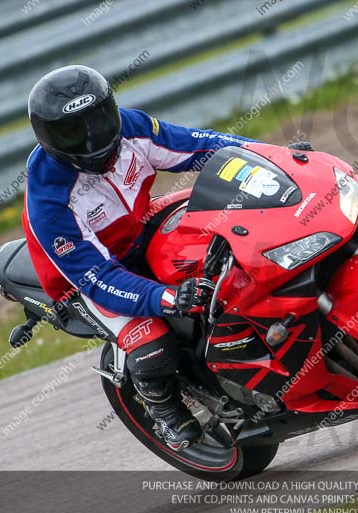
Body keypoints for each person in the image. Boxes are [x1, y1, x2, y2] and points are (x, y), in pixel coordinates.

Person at [22, 65, 258, 450]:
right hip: (83, 279)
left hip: (138, 226)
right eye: (71, 131)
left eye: (97, 120)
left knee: (231, 236)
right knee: (154, 346)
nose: (91, 137)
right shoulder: (50, 201)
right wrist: (168, 298)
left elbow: (203, 146)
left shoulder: (130, 128)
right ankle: (159, 403)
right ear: (47, 136)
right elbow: (99, 278)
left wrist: (272, 158)